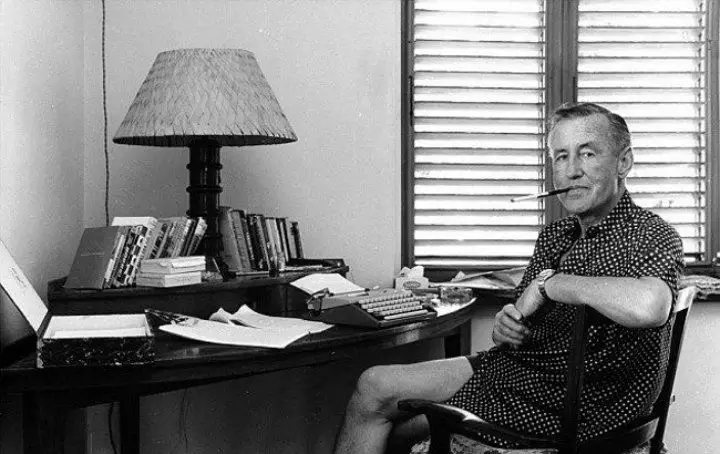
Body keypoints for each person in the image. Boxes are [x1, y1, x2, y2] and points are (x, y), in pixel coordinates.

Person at [333, 102, 685, 454]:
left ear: (624, 162)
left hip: (560, 405)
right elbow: (522, 317)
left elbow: (652, 305)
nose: (572, 170)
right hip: (517, 374)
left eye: (588, 154)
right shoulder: (555, 235)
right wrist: (507, 324)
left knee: (396, 431)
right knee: (373, 385)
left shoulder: (651, 234)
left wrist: (553, 283)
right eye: (561, 157)